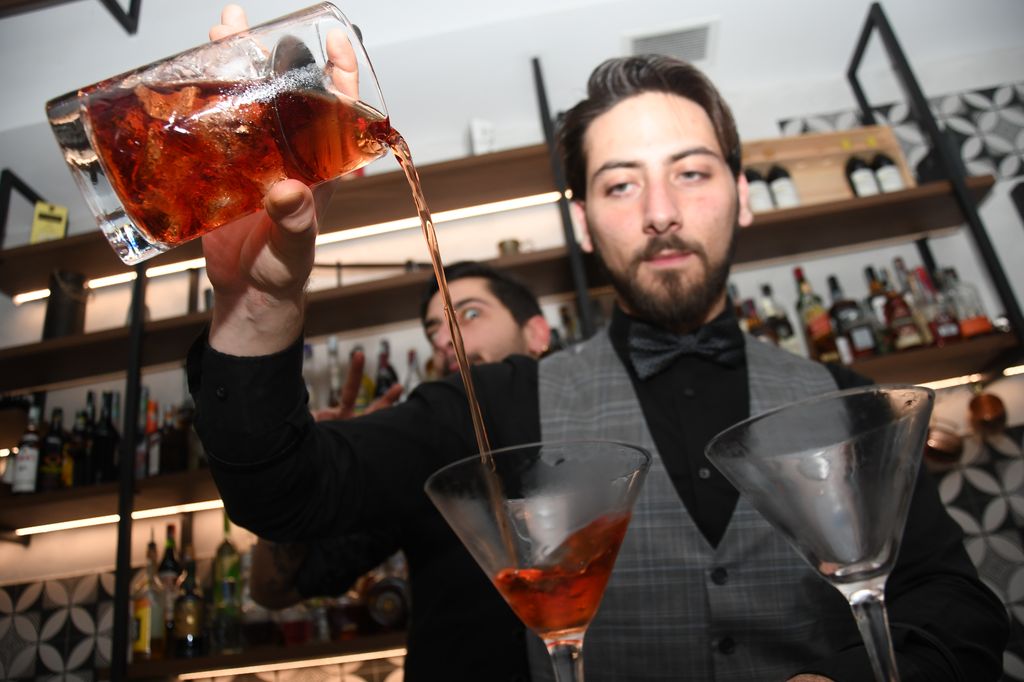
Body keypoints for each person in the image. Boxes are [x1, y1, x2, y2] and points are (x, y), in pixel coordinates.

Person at [191, 12, 1007, 679]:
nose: (660, 211)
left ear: (743, 196)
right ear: (583, 223)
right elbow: (286, 493)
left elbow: (957, 608)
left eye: (692, 172)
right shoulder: (498, 405)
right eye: (620, 183)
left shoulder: (846, 401)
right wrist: (258, 305)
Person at [249, 260, 552, 609]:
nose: (443, 340)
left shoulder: (586, 418)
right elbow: (272, 591)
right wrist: (315, 463)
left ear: (536, 334)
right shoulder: (419, 458)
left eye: (470, 314)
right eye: (432, 332)